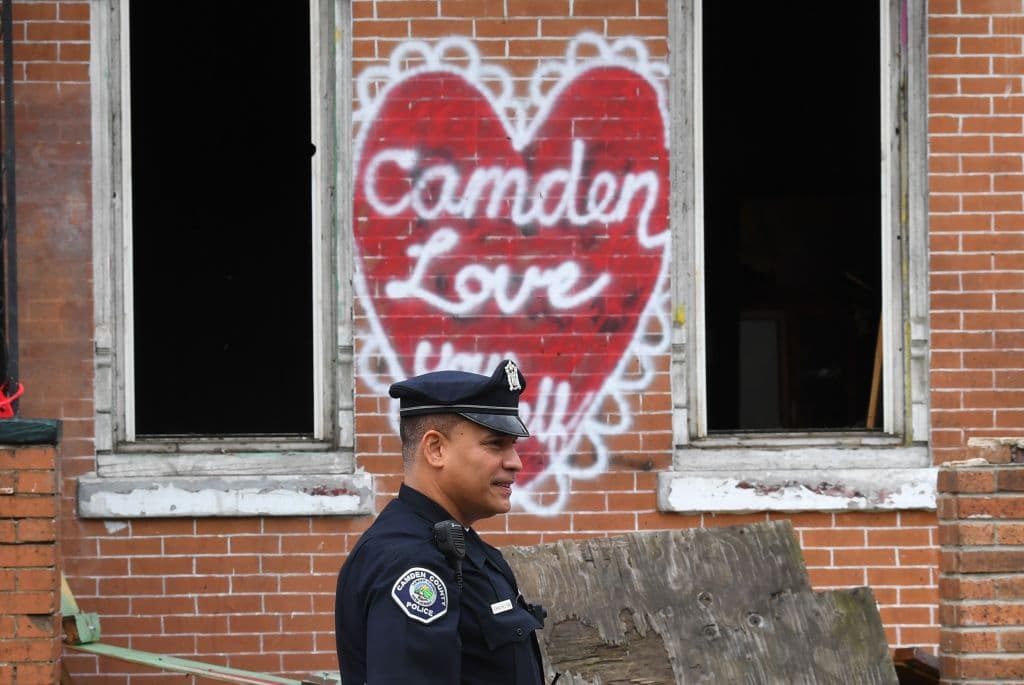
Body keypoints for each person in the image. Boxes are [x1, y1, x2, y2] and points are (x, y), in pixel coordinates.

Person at [335, 359, 547, 684]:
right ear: (435, 449)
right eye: (495, 444)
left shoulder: (463, 548)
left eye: (513, 446)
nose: (515, 462)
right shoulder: (410, 565)